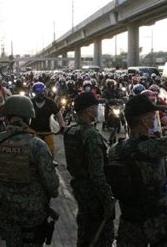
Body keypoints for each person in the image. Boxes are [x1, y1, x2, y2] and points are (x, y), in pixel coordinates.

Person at [108, 82, 167, 246]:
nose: (155, 119)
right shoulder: (152, 148)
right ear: (144, 122)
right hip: (156, 225)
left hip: (129, 223)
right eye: (152, 116)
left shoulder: (115, 150)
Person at [0, 95, 59, 247]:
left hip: (7, 210)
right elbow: (52, 186)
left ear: (6, 119)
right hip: (34, 213)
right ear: (29, 119)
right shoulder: (37, 145)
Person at [63, 92, 115, 247]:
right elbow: (97, 174)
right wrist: (108, 201)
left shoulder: (70, 131)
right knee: (101, 237)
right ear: (88, 110)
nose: (98, 109)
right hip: (94, 194)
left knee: (84, 232)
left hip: (80, 189)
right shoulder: (91, 135)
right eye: (95, 107)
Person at [30, 82, 66, 156]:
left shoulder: (50, 103)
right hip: (33, 133)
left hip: (47, 133)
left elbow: (58, 115)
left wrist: (62, 126)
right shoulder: (30, 102)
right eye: (38, 92)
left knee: (50, 153)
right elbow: (25, 116)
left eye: (42, 92)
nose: (40, 94)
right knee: (32, 154)